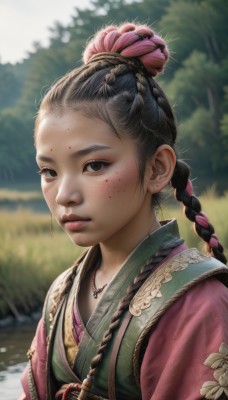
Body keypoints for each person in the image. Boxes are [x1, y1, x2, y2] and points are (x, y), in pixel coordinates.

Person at [19, 22, 228, 400]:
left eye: (95, 165)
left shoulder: (200, 305)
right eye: (49, 171)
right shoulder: (60, 295)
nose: (64, 195)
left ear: (157, 169)